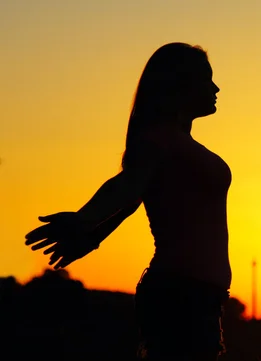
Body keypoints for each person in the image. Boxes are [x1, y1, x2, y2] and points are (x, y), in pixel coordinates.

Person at [24, 42, 231, 361]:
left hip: (199, 296)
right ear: (180, 84)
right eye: (207, 79)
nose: (216, 87)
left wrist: (93, 236)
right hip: (180, 294)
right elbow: (126, 185)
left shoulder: (179, 144)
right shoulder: (158, 140)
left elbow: (131, 200)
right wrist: (84, 219)